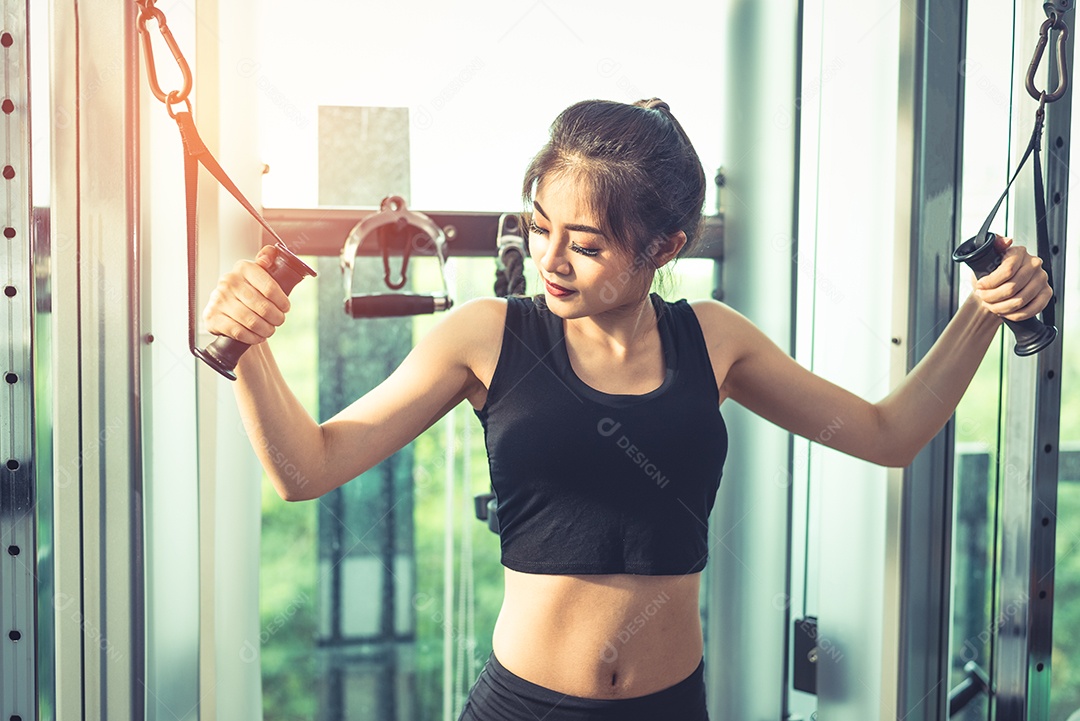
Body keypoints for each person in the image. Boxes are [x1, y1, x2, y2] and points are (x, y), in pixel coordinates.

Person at [203, 98, 1053, 721]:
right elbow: (306, 469)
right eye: (541, 229)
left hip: (670, 706)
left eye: (586, 242)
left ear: (664, 247)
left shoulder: (713, 341)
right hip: (522, 707)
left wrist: (985, 307)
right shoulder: (486, 335)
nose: (552, 260)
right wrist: (247, 347)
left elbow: (888, 435)